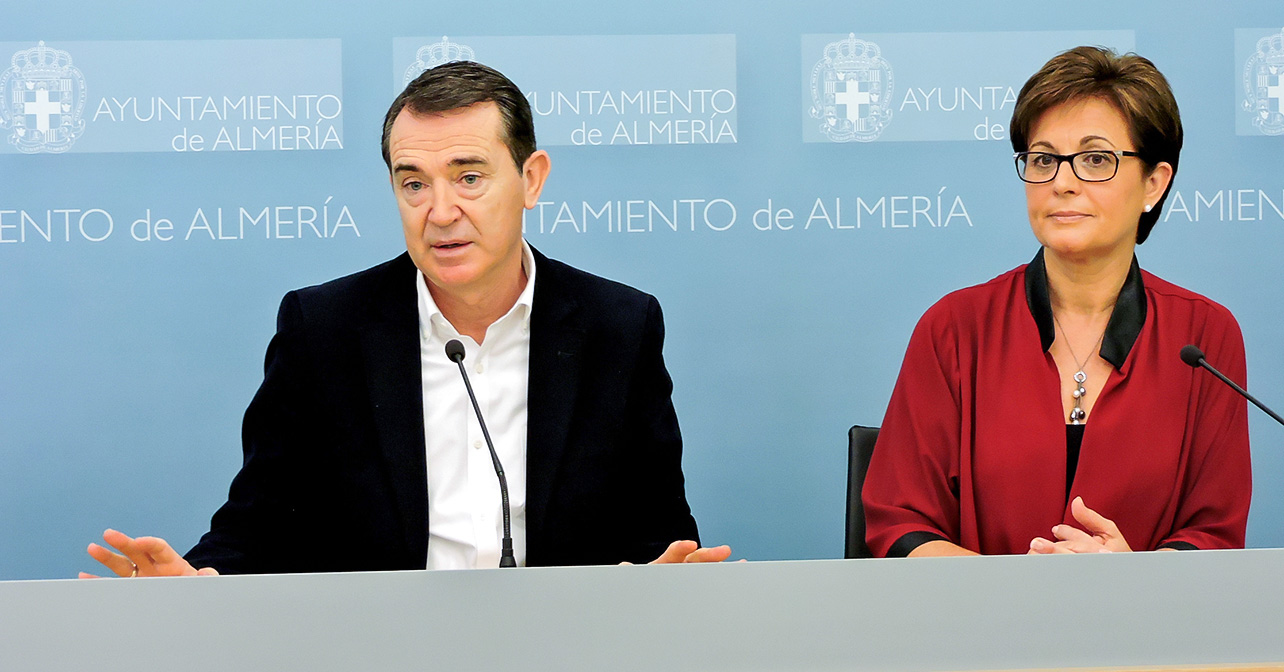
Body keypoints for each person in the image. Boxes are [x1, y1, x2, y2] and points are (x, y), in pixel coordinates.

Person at [83, 61, 730, 577]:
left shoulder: (617, 325)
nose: (440, 210)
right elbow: (259, 523)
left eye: (469, 177)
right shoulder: (325, 329)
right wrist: (200, 581)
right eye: (413, 182)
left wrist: (664, 576)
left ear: (531, 179)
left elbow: (658, 530)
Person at [862, 46, 1251, 557]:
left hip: (1145, 632)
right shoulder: (955, 328)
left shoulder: (1204, 336)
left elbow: (1213, 536)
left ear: (1154, 183)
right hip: (975, 630)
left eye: (1095, 160)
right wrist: (1021, 599)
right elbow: (899, 523)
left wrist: (1128, 580)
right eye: (1044, 159)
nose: (1062, 183)